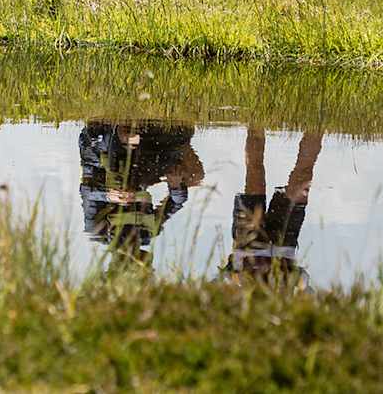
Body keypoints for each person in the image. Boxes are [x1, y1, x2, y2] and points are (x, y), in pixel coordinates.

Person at [78, 121, 204, 263]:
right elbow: (176, 202)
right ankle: (170, 127)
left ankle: (121, 124)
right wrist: (175, 186)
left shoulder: (97, 230)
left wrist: (108, 195)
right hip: (141, 164)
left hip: (98, 151)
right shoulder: (148, 232)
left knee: (126, 140)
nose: (133, 246)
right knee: (195, 176)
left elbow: (86, 191)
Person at [222, 128, 322, 288]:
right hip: (283, 249)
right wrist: (302, 284)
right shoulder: (285, 308)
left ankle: (256, 115)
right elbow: (303, 281)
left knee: (255, 171)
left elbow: (225, 278)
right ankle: (318, 121)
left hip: (248, 246)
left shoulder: (239, 307)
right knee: (303, 177)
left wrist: (233, 278)